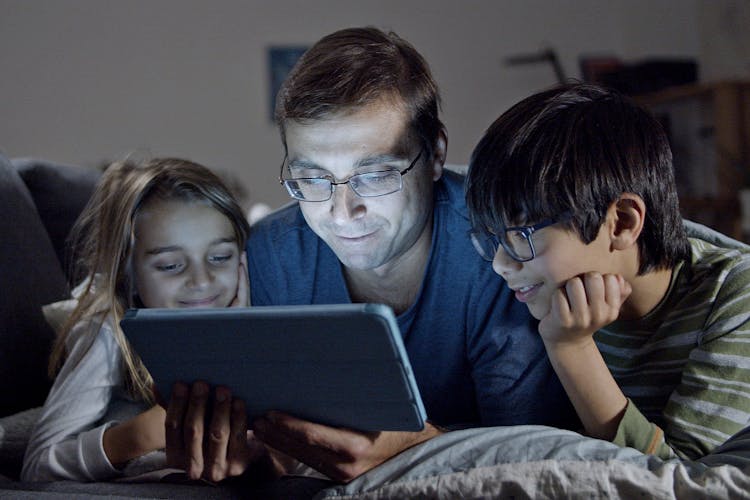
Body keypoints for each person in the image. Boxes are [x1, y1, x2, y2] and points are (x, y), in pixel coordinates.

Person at [164, 26, 577, 484]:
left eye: (376, 174)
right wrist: (253, 453)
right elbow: (273, 438)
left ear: (436, 153)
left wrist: (417, 451)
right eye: (314, 180)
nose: (342, 213)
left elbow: (529, 453)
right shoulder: (270, 256)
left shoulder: (502, 249)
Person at [465, 82, 750, 460]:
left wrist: (571, 349)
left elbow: (681, 478)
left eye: (520, 234)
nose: (501, 263)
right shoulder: (546, 289)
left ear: (621, 223)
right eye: (493, 238)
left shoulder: (733, 295)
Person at [22, 157, 252, 481]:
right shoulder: (106, 333)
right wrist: (145, 434)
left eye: (220, 257)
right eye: (171, 265)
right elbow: (37, 466)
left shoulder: (259, 323)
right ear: (128, 273)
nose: (202, 281)